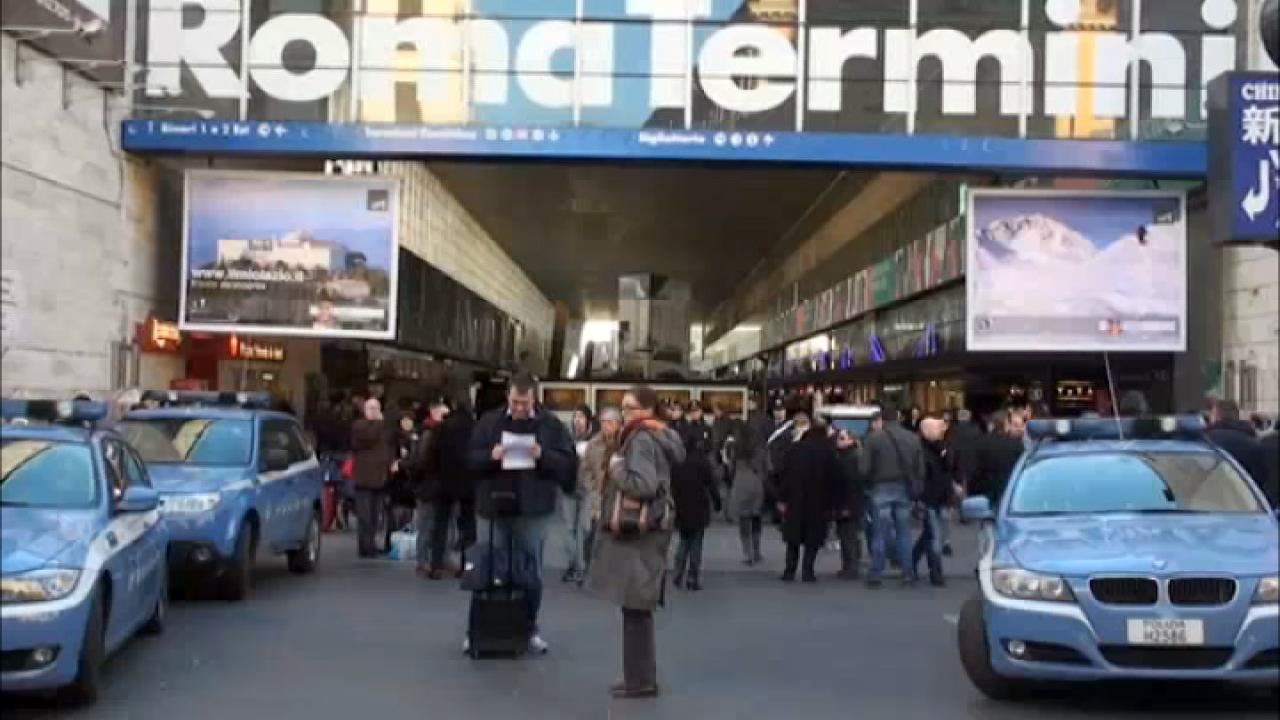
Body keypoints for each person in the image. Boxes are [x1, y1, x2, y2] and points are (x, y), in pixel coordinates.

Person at [467, 374, 577, 655]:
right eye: (515, 401)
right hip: (492, 506)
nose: (518, 408)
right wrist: (490, 456)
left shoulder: (551, 425)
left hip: (533, 508)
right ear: (508, 396)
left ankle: (529, 629)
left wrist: (543, 455)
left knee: (530, 571)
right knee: (487, 567)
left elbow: (568, 464)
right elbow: (469, 459)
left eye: (524, 403)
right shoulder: (489, 422)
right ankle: (480, 629)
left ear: (534, 399)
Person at [587, 385, 684, 699]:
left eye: (630, 407)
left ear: (646, 410)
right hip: (654, 528)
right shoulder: (661, 435)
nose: (624, 413)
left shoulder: (640, 438)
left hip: (638, 532)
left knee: (635, 607)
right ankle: (639, 676)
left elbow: (643, 485)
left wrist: (617, 469)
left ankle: (638, 680)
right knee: (638, 606)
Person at [860, 403, 925, 588]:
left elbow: (864, 468)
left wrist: (867, 483)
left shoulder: (873, 439)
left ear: (882, 419)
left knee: (880, 532)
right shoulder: (913, 438)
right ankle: (908, 573)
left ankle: (876, 573)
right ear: (898, 418)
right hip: (904, 487)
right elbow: (920, 468)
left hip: (880, 486)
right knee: (904, 532)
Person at [777, 413, 842, 583]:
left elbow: (784, 475)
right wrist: (833, 503)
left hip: (795, 499)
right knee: (812, 539)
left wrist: (782, 498)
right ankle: (808, 570)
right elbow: (834, 479)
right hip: (818, 501)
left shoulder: (795, 450)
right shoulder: (828, 453)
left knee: (793, 538)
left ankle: (789, 570)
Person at [670, 401, 720, 591]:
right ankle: (692, 577)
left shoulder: (678, 462)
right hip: (699, 505)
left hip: (682, 506)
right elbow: (711, 484)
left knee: (683, 541)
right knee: (696, 543)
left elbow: (672, 484)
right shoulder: (702, 461)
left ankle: (677, 574)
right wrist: (717, 502)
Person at [431, 397, 477, 579]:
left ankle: (436, 565)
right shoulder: (475, 427)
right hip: (469, 482)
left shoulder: (442, 427)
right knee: (468, 525)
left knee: (440, 523)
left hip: (445, 480)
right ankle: (467, 565)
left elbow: (433, 453)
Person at [404, 399, 446, 577]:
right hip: (429, 485)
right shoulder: (429, 434)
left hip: (432, 485)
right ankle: (423, 561)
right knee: (428, 525)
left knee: (433, 524)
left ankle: (430, 560)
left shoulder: (427, 433)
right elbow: (420, 461)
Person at [580, 407, 622, 584]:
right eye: (603, 422)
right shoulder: (594, 444)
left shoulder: (625, 444)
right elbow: (585, 470)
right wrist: (592, 489)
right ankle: (589, 570)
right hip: (598, 495)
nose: (606, 426)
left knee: (615, 537)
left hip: (618, 497)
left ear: (618, 424)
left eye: (610, 422)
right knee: (592, 535)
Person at [912, 417, 952, 587]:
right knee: (935, 535)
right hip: (929, 498)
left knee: (931, 534)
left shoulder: (942, 447)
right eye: (937, 428)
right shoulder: (920, 450)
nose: (942, 431)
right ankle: (936, 572)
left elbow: (950, 467)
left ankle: (912, 559)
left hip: (942, 496)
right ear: (927, 431)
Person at [561, 405, 597, 583]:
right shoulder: (566, 438)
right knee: (569, 529)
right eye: (575, 417)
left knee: (585, 528)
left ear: (588, 420)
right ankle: (574, 566)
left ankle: (584, 566)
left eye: (581, 417)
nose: (577, 420)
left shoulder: (594, 440)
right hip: (569, 487)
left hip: (588, 490)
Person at [351, 398, 391, 558]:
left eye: (376, 408)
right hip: (364, 478)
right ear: (365, 410)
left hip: (379, 477)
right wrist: (380, 423)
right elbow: (370, 436)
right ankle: (365, 546)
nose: (374, 411)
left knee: (375, 515)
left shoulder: (382, 427)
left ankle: (371, 544)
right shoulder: (359, 426)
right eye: (371, 408)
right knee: (365, 516)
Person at [728, 417, 768, 566]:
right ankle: (757, 551)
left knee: (744, 521)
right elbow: (768, 467)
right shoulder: (761, 448)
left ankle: (748, 553)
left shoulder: (736, 448)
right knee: (756, 518)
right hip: (757, 484)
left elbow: (730, 468)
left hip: (741, 483)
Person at [1206, 399, 1268, 486]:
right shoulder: (1253, 442)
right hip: (1243, 492)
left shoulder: (1207, 440)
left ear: (1217, 417)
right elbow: (1262, 475)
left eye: (1211, 414)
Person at [386, 410, 422, 555]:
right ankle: (392, 541)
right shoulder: (394, 438)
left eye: (409, 421)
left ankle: (405, 541)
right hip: (397, 479)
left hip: (411, 479)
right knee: (395, 512)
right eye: (404, 420)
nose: (407, 423)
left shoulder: (416, 437)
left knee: (409, 513)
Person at [832, 428, 865, 580]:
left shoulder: (850, 458)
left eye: (842, 438)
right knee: (847, 534)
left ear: (851, 440)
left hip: (848, 503)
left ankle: (851, 567)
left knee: (848, 535)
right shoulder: (847, 455)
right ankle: (849, 565)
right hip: (847, 502)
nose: (838, 441)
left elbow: (852, 484)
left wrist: (847, 506)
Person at [974, 410, 1025, 507]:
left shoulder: (980, 443)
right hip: (1011, 496)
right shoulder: (1016, 445)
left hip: (986, 496)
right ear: (1006, 425)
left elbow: (975, 471)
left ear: (992, 425)